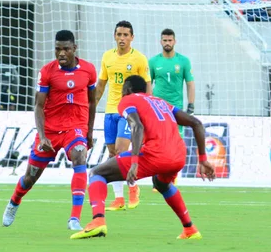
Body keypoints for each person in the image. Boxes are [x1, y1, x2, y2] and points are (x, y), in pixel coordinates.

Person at [70, 75, 215, 240]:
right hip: (178, 155)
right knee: (161, 183)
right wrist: (203, 159)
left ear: (128, 89)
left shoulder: (128, 100)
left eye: (123, 88)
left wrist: (134, 162)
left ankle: (97, 221)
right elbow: (196, 123)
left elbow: (136, 125)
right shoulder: (161, 102)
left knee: (97, 173)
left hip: (156, 154)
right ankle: (190, 229)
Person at [1, 30, 97, 231]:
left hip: (75, 127)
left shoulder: (88, 70)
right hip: (51, 131)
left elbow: (91, 101)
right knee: (30, 177)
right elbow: (38, 106)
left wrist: (88, 132)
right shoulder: (47, 72)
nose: (61, 53)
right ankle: (14, 201)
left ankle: (74, 219)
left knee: (80, 157)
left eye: (66, 49)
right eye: (57, 49)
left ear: (74, 49)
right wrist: (43, 136)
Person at [95, 21, 152, 211]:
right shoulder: (107, 57)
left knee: (121, 150)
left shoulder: (139, 59)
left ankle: (133, 188)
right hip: (110, 110)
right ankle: (118, 198)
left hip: (129, 111)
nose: (122, 38)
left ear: (132, 38)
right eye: (119, 34)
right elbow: (101, 84)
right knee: (112, 154)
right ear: (114, 36)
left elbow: (147, 86)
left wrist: (146, 108)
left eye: (126, 35)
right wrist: (91, 106)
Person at [149, 28, 195, 138]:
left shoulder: (184, 61)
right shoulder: (153, 61)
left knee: (177, 139)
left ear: (175, 41)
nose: (167, 43)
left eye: (170, 40)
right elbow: (148, 84)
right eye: (165, 40)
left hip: (176, 106)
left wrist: (191, 105)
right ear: (161, 42)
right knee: (158, 137)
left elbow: (190, 83)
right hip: (158, 107)